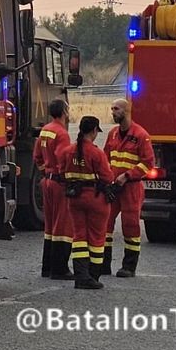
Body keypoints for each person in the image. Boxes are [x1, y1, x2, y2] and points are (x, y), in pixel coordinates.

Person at [58, 116, 114, 289]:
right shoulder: (96, 153)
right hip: (96, 199)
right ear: (94, 130)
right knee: (97, 238)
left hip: (74, 199)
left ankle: (81, 276)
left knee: (79, 237)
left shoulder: (68, 151)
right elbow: (108, 177)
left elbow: (61, 172)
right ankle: (93, 276)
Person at [104, 98, 155, 278]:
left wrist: (127, 175)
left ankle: (129, 266)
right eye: (112, 108)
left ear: (125, 111)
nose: (113, 112)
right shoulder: (112, 134)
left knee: (130, 225)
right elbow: (105, 158)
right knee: (106, 223)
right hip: (113, 187)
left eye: (116, 109)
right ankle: (103, 264)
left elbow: (148, 163)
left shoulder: (141, 135)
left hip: (131, 187)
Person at [34, 99, 75, 280]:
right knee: (63, 226)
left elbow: (37, 156)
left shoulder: (45, 130)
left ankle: (47, 267)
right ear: (64, 111)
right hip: (59, 183)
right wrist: (69, 179)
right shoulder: (62, 133)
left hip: (47, 182)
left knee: (49, 226)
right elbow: (64, 159)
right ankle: (60, 269)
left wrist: (46, 172)